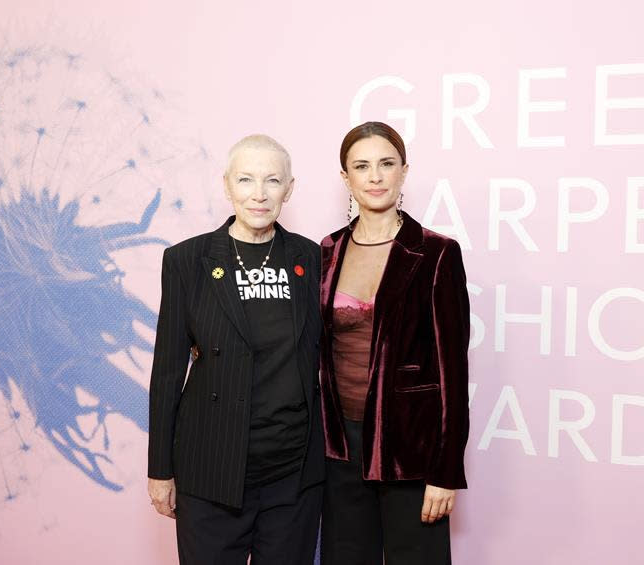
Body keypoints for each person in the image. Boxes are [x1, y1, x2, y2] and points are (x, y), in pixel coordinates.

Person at [147, 135, 324, 565]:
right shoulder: (187, 260)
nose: (259, 194)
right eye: (245, 179)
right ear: (227, 186)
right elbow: (168, 370)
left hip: (292, 475)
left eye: (272, 180)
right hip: (209, 470)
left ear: (290, 188)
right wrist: (159, 469)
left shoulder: (313, 258)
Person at [319, 121, 470, 565]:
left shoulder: (436, 253)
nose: (375, 176)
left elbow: (453, 370)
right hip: (339, 448)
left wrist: (446, 472)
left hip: (411, 451)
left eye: (386, 164)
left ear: (404, 171)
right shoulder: (326, 251)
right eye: (361, 166)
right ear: (345, 177)